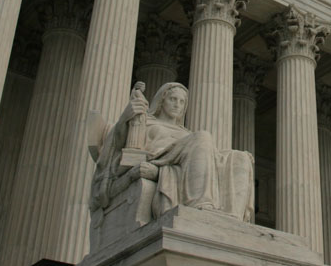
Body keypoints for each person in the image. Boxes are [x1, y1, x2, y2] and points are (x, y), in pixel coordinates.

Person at [90, 82, 253, 222]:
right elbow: (118, 146)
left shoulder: (187, 133)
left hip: (182, 163)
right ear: (162, 101)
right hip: (159, 159)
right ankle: (200, 205)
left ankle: (232, 218)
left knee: (240, 157)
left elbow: (209, 158)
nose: (177, 105)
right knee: (203, 136)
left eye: (182, 102)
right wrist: (126, 118)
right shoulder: (145, 122)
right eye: (173, 99)